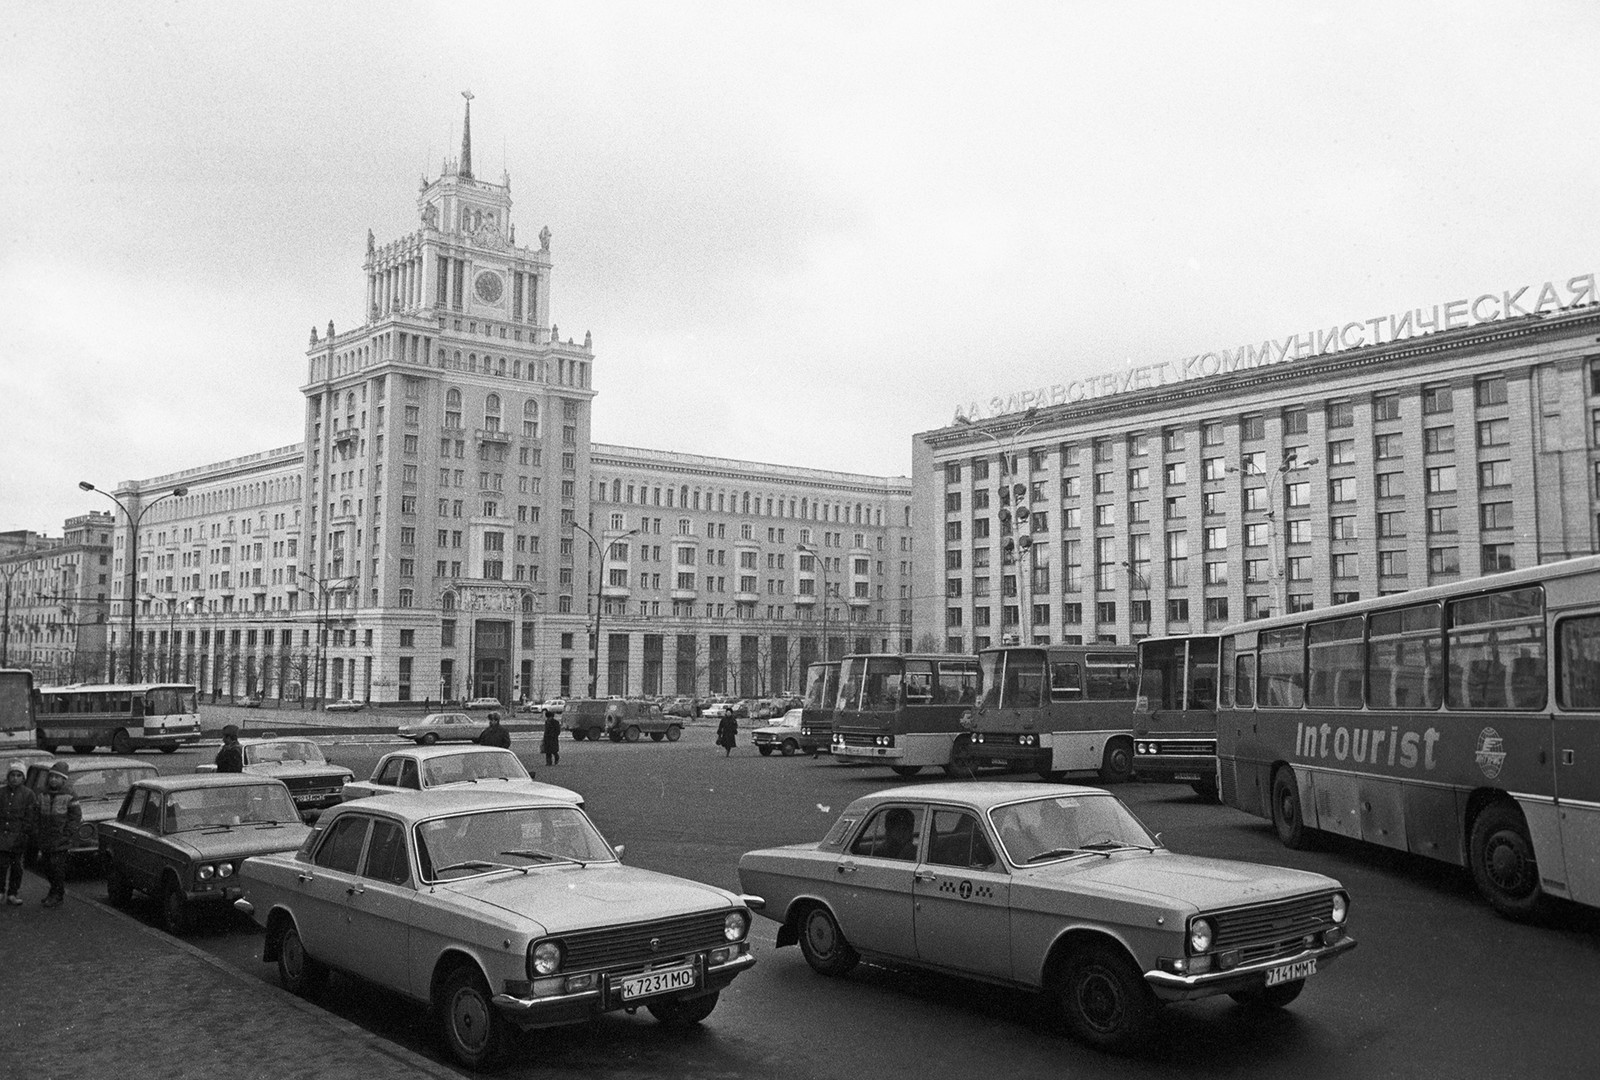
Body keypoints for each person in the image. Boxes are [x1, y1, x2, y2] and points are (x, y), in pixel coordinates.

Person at [32, 762, 81, 908]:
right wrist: (36, 831)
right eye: (51, 776)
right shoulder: (41, 794)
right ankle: (54, 891)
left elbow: (75, 817)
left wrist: (66, 834)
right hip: (45, 838)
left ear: (63, 780)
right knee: (47, 867)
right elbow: (35, 814)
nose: (53, 780)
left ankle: (57, 894)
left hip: (60, 840)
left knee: (56, 868)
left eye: (57, 777)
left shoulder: (69, 795)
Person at [0, 762, 37, 905]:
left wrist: (24, 833)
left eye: (18, 775)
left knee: (17, 867)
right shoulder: (1, 793)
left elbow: (30, 817)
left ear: (23, 778)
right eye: (12, 775)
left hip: (18, 837)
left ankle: (13, 893)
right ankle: (1, 891)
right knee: (1, 866)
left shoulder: (28, 794)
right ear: (8, 777)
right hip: (2, 836)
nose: (15, 778)